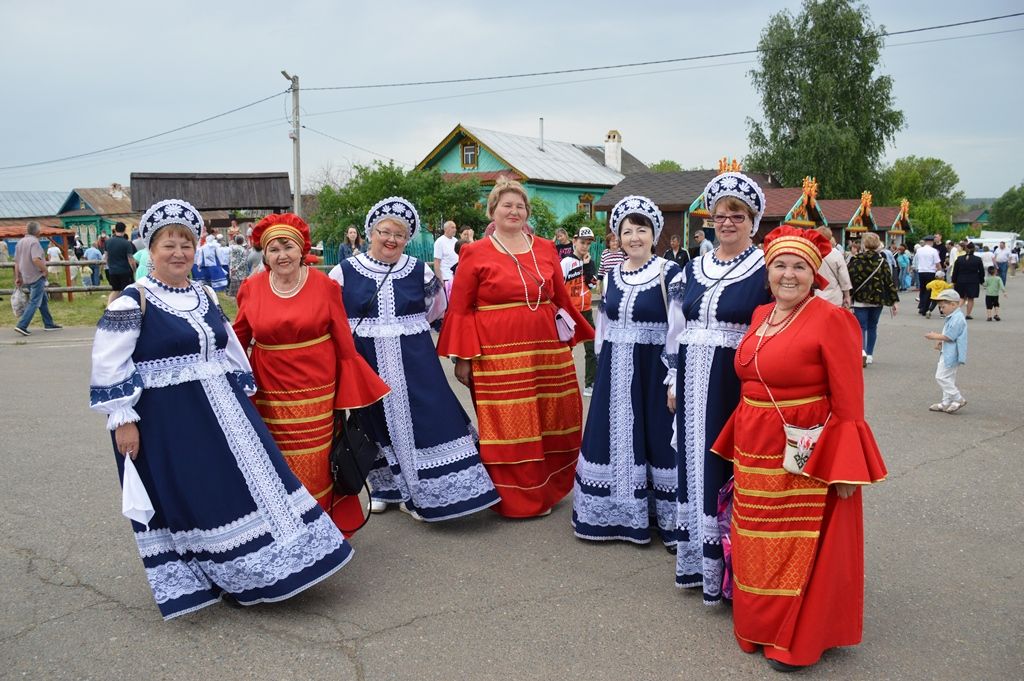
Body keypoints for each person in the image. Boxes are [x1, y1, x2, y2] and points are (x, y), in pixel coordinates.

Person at [89, 199, 354, 620]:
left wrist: (243, 393)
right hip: (169, 420)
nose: (178, 253)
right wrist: (123, 420)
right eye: (168, 245)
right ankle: (215, 574)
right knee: (197, 494)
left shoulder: (203, 294)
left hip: (223, 409)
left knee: (244, 488)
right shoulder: (132, 302)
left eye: (186, 245)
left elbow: (229, 345)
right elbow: (108, 365)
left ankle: (267, 568)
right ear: (149, 251)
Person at [712, 225, 887, 672]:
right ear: (768, 273)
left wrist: (846, 468)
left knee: (796, 539)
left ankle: (796, 635)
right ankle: (759, 624)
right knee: (756, 534)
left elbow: (849, 399)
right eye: (780, 266)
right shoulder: (759, 315)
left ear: (816, 274)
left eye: (800, 267)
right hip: (754, 445)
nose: (788, 275)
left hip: (803, 446)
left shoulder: (833, 320)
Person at [330, 197, 499, 521]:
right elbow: (330, 315)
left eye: (400, 234)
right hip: (367, 361)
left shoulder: (418, 270)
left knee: (429, 415)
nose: (391, 239)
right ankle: (385, 489)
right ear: (370, 232)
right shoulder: (344, 271)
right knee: (371, 422)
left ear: (408, 239)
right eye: (385, 231)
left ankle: (431, 491)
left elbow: (439, 312)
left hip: (415, 361)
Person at [437, 177, 594, 518]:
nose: (514, 211)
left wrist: (571, 337)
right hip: (498, 356)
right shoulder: (474, 252)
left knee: (554, 416)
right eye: (507, 205)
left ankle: (548, 488)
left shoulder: (545, 248)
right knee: (510, 424)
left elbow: (560, 298)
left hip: (547, 353)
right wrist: (463, 358)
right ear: (493, 210)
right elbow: (461, 308)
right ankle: (517, 499)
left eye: (520, 206)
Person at [233, 213, 390, 534]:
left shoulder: (324, 285)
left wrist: (350, 391)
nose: (281, 255)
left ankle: (323, 528)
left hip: (318, 388)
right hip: (269, 393)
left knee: (319, 460)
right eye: (273, 249)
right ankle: (289, 527)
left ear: (301, 249)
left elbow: (344, 342)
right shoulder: (251, 288)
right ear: (264, 254)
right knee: (279, 461)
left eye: (287, 246)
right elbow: (238, 338)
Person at [665, 171, 771, 603]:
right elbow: (677, 329)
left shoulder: (766, 266)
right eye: (720, 214)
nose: (727, 222)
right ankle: (698, 562)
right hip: (690, 378)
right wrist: (672, 379)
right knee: (694, 462)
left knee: (729, 467)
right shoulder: (693, 267)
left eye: (738, 215)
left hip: (736, 381)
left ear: (753, 220)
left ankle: (733, 572)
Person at [573, 196, 681, 546]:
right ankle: (617, 513)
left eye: (642, 230)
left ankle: (657, 516)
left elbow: (678, 328)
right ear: (617, 237)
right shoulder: (612, 276)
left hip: (653, 370)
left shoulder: (669, 272)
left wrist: (673, 378)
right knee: (614, 436)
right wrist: (602, 367)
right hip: (615, 370)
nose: (634, 237)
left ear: (655, 234)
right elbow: (604, 325)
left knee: (655, 438)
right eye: (627, 231)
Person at [847, 232, 899, 366]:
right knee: (872, 326)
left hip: (860, 298)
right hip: (877, 298)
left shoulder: (855, 260)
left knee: (860, 327)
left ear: (863, 245)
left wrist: (847, 296)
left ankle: (861, 352)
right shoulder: (882, 261)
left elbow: (849, 280)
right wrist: (894, 301)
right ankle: (869, 354)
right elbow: (889, 281)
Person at [560, 227, 598, 396]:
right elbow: (559, 286)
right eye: (582, 242)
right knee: (567, 349)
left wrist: (588, 265)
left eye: (588, 244)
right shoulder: (566, 262)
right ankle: (563, 384)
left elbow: (592, 286)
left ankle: (590, 383)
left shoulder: (590, 260)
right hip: (571, 312)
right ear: (574, 241)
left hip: (587, 310)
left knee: (592, 347)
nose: (585, 247)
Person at [13, 222, 62, 335]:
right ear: (37, 231)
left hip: (26, 276)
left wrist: (18, 276)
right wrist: (44, 270)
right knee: (34, 301)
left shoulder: (20, 242)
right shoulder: (34, 242)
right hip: (36, 275)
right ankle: (22, 325)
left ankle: (48, 323)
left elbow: (16, 262)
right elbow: (36, 259)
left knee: (43, 300)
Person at [925, 289, 968, 413]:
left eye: (943, 306)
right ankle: (946, 402)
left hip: (952, 353)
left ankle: (958, 398)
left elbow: (950, 336)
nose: (941, 309)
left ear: (953, 304)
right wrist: (940, 341)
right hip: (948, 351)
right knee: (948, 378)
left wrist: (934, 336)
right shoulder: (952, 316)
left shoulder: (957, 319)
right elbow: (947, 333)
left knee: (941, 377)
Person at [814, 226, 852, 307]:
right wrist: (847, 296)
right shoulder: (836, 253)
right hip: (834, 297)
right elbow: (844, 277)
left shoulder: (811, 252)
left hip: (815, 295)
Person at [951, 242, 985, 320]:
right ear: (974, 250)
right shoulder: (978, 260)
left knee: (961, 298)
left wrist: (954, 281)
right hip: (973, 281)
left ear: (966, 249)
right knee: (970, 298)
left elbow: (955, 271)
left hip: (960, 280)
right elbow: (981, 272)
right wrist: (981, 281)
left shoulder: (959, 259)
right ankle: (968, 314)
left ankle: (955, 311)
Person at [105, 222, 137, 304]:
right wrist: (134, 270)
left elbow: (106, 256)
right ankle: (123, 307)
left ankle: (109, 308)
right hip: (124, 271)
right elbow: (130, 259)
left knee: (115, 291)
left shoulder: (108, 242)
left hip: (112, 271)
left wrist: (109, 266)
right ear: (125, 230)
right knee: (125, 291)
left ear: (115, 229)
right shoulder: (127, 243)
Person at [913, 235, 941, 315]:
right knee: (928, 291)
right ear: (931, 242)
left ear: (925, 242)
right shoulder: (934, 251)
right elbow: (937, 263)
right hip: (930, 272)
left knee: (922, 290)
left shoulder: (919, 250)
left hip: (921, 271)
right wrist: (940, 271)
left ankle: (921, 306)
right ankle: (925, 309)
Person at [433, 220, 459, 285]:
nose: (455, 230)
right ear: (445, 229)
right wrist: (440, 279)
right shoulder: (439, 242)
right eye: (452, 227)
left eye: (455, 227)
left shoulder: (456, 240)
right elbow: (436, 262)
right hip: (446, 278)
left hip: (456, 276)